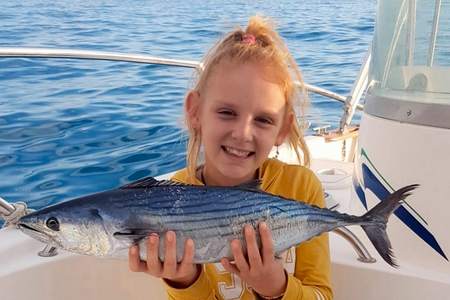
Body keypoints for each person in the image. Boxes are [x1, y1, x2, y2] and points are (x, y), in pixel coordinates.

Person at [129, 15, 332, 300]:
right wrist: (185, 280)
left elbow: (323, 295)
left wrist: (276, 288)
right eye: (227, 112)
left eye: (263, 120)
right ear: (195, 112)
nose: (242, 133)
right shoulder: (173, 196)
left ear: (282, 129)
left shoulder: (301, 187)